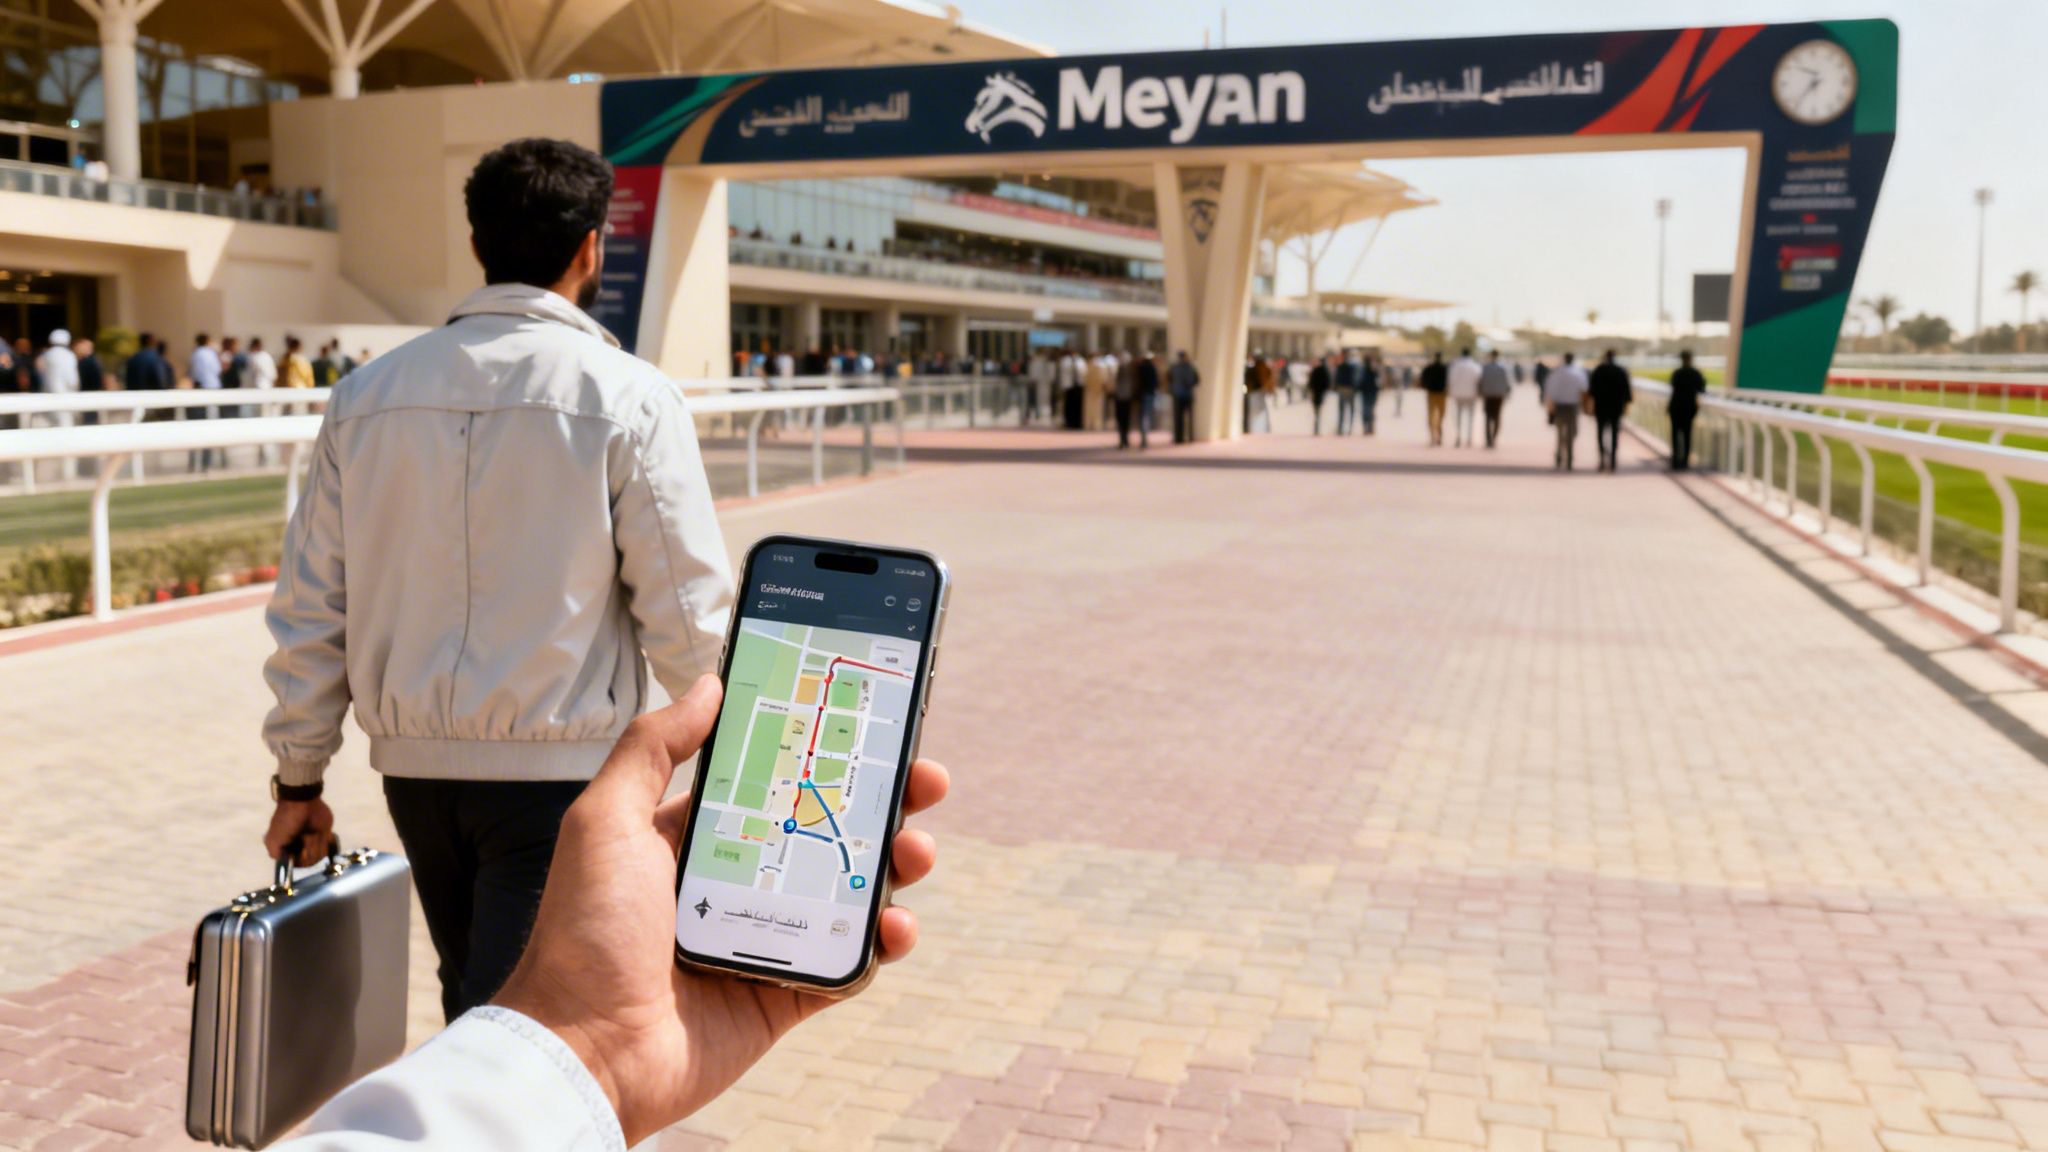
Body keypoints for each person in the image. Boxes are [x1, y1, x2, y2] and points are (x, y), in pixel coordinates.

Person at [259, 137, 735, 1024]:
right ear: (591, 246)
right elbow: (691, 618)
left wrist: (298, 779)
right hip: (562, 776)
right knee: (521, 1028)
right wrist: (749, 764)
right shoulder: (629, 395)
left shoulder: (367, 396)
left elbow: (311, 604)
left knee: (474, 1005)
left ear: (478, 244)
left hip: (415, 774)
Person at [265, 682, 948, 1151]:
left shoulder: (344, 456)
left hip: (413, 767)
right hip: (559, 762)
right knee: (505, 991)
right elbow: (675, 572)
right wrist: (734, 724)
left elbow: (317, 590)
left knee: (479, 986)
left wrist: (299, 773)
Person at [1543, 351, 1590, 471]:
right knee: (1572, 433)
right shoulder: (1578, 372)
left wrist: (1549, 406)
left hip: (1560, 407)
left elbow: (1549, 390)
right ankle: (1568, 457)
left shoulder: (1556, 372)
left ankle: (1560, 454)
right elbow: (1584, 389)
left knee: (1561, 433)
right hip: (1572, 407)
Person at [1589, 348, 1633, 472]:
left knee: (1600, 433)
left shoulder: (1599, 370)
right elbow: (1627, 391)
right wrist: (1625, 404)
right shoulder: (1621, 371)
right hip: (1616, 407)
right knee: (1614, 433)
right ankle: (1613, 460)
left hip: (1601, 406)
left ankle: (1602, 459)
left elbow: (1591, 390)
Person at [188, 333, 223, 473]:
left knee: (197, 427)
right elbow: (217, 370)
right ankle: (206, 463)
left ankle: (196, 462)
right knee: (209, 428)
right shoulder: (210, 354)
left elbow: (194, 373)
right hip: (211, 391)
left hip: (200, 390)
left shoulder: (196, 354)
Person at [1667, 349, 1706, 470]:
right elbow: (1702, 389)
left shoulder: (1677, 373)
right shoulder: (1696, 373)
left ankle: (1675, 460)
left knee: (1675, 434)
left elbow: (1672, 387)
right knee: (1687, 434)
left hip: (1676, 407)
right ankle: (1684, 461)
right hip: (1689, 408)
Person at [1447, 348, 1481, 448]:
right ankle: (1469, 438)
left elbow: (1451, 380)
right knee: (1471, 417)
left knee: (1458, 416)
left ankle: (1458, 436)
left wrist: (1451, 391)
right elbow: (1478, 379)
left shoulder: (1456, 366)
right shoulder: (1475, 366)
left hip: (1458, 394)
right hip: (1471, 394)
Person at [1478, 350, 1512, 449]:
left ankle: (1489, 439)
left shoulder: (1485, 367)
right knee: (1497, 417)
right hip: (1498, 395)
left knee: (1488, 417)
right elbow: (1507, 382)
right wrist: (1507, 393)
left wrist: (1480, 392)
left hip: (1488, 395)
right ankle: (1493, 438)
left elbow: (1481, 381)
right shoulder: (1502, 368)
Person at [1168, 350, 1198, 443]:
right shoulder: (1190, 368)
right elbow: (1196, 379)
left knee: (1181, 417)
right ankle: (1184, 437)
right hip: (1184, 394)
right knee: (1183, 417)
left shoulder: (1176, 368)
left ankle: (1181, 437)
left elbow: (1169, 378)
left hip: (1180, 394)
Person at [1419, 351, 1448, 447]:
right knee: (1441, 414)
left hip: (1431, 393)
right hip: (1441, 394)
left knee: (1431, 414)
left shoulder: (1429, 368)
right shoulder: (1445, 369)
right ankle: (1438, 434)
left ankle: (1433, 435)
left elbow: (1422, 380)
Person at [1112, 348, 1139, 449]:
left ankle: (1124, 439)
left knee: (1124, 420)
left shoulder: (1131, 371)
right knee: (1122, 419)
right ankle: (1123, 439)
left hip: (1125, 397)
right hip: (1122, 397)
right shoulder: (1122, 370)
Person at [1136, 348, 1160, 449]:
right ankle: (1145, 436)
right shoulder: (1152, 368)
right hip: (1150, 394)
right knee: (1147, 415)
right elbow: (1156, 382)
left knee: (1143, 416)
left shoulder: (1140, 368)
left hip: (1142, 394)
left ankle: (1144, 437)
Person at [1333, 350, 1360, 435]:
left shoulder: (1341, 367)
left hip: (1345, 389)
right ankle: (1347, 428)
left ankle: (1342, 428)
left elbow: (1337, 378)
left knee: (1343, 410)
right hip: (1349, 389)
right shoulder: (1352, 366)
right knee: (1348, 410)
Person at [1307, 352, 1332, 435]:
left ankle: (1317, 427)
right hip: (1319, 393)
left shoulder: (1317, 370)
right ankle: (1317, 427)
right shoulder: (1322, 370)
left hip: (1317, 393)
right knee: (1318, 411)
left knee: (1317, 411)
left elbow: (1310, 383)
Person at [1358, 354, 1381, 435]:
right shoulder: (1366, 370)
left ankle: (1369, 428)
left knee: (1369, 410)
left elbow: (1378, 382)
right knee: (1367, 410)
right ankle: (1367, 427)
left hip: (1371, 393)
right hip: (1367, 393)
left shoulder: (1374, 371)